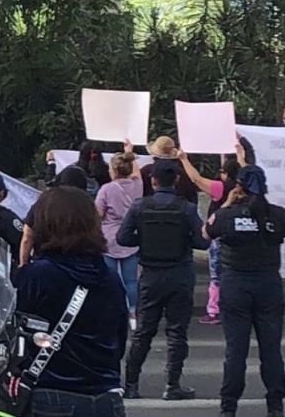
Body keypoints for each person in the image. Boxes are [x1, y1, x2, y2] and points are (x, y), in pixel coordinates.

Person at [14, 186, 128, 417]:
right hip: (107, 397)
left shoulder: (38, 275)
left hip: (53, 392)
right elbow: (119, 338)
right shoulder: (110, 277)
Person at [117, 159, 208, 401]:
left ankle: (132, 384)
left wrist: (144, 239)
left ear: (152, 180)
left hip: (150, 275)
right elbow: (203, 241)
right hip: (179, 274)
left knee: (143, 332)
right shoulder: (186, 208)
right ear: (177, 180)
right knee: (177, 332)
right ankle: (172, 384)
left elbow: (123, 238)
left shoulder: (139, 207)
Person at [205, 165, 285, 417]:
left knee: (235, 350)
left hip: (235, 284)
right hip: (269, 284)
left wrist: (226, 205)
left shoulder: (227, 215)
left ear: (238, 186)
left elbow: (206, 232)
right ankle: (275, 404)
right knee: (271, 349)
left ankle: (228, 406)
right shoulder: (278, 214)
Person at [178, 150, 242, 325]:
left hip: (219, 236)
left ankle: (214, 311)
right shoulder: (244, 187)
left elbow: (196, 179)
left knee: (216, 276)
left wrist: (184, 160)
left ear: (225, 174)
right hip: (240, 235)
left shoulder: (220, 188)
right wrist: (236, 152)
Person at [95, 151, 143, 330]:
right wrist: (129, 149)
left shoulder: (106, 189)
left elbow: (98, 215)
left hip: (109, 237)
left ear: (113, 170)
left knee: (110, 278)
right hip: (131, 236)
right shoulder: (138, 185)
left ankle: (112, 312)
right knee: (132, 280)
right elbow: (137, 172)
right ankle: (133, 313)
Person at [141, 136, 198, 202]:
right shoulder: (183, 172)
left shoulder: (145, 170)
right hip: (179, 209)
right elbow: (192, 197)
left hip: (147, 208)